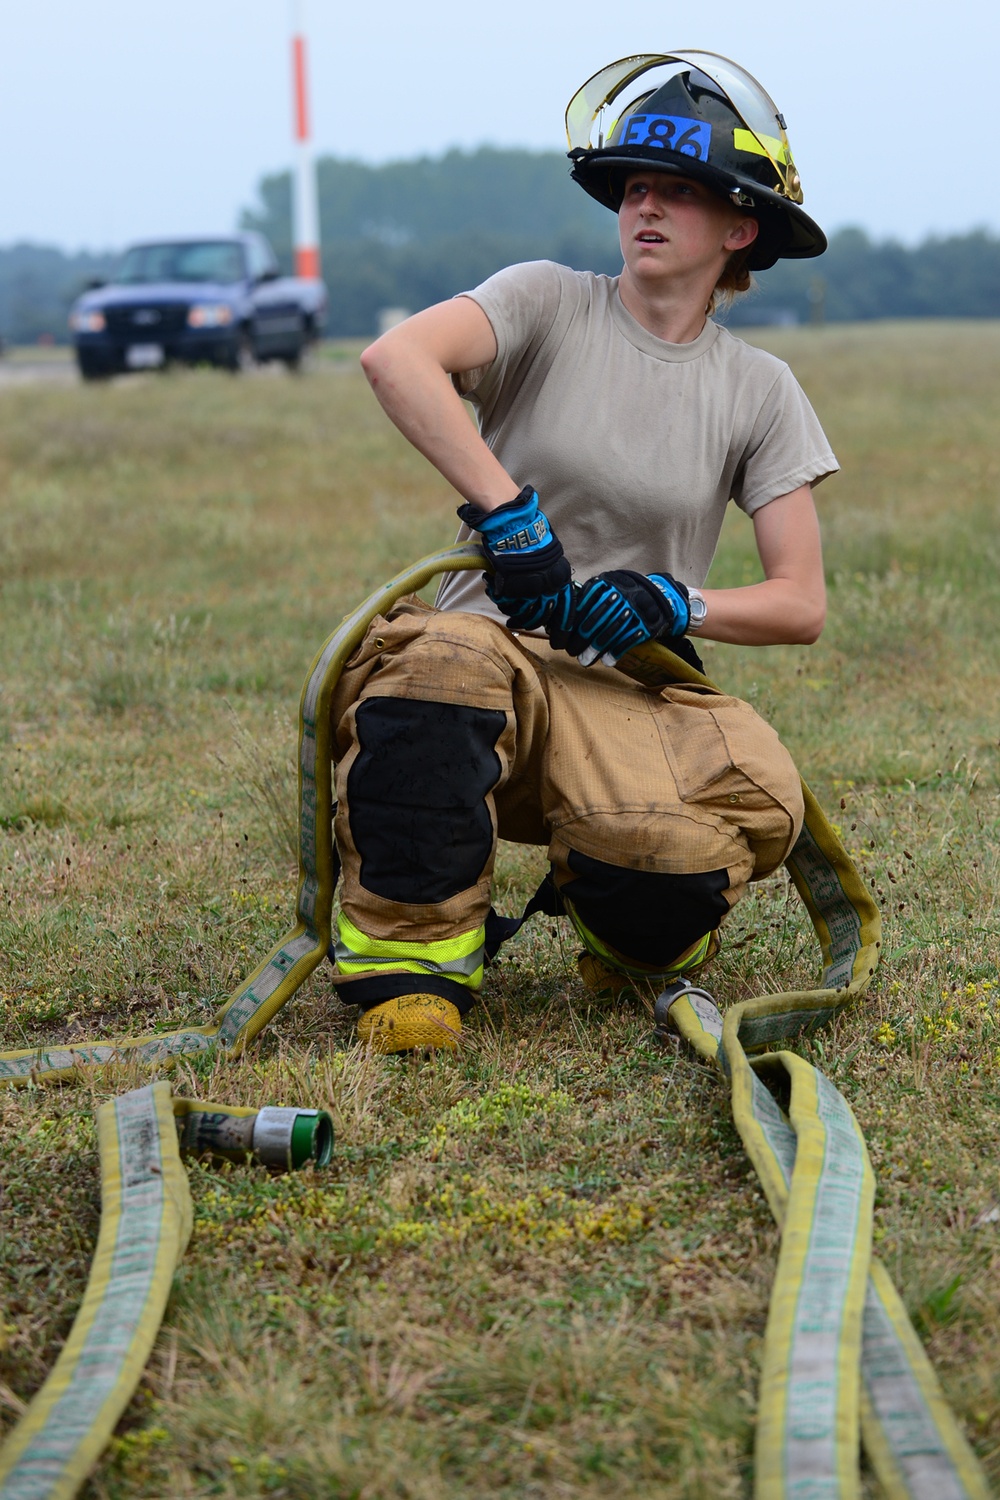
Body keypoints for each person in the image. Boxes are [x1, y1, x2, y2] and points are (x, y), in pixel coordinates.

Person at [331, 50, 836, 1053]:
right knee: (435, 668)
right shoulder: (545, 303)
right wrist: (507, 514)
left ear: (739, 229)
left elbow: (798, 603)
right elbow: (398, 360)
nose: (644, 206)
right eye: (633, 186)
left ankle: (621, 926)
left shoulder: (760, 389)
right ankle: (409, 969)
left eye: (679, 193)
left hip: (622, 690)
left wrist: (672, 602)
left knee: (669, 867)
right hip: (492, 657)